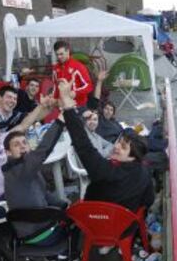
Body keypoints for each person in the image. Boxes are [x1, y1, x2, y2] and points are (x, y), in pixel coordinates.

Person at [57, 78, 155, 212]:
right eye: (119, 143)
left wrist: (68, 106)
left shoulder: (106, 171)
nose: (116, 146)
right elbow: (148, 201)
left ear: (133, 157)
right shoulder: (145, 173)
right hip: (126, 227)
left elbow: (83, 146)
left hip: (95, 223)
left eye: (123, 147)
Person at [2, 117, 78, 261]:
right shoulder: (20, 170)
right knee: (78, 223)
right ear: (8, 152)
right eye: (16, 145)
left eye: (25, 143)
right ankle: (65, 254)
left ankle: (51, 254)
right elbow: (43, 149)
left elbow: (44, 193)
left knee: (70, 210)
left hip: (28, 233)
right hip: (39, 235)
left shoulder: (21, 170)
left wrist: (64, 205)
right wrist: (60, 121)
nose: (23, 147)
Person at [52, 40, 93, 109]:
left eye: (61, 54)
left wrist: (75, 93)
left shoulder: (78, 66)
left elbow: (89, 86)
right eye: (57, 54)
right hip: (62, 106)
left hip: (78, 106)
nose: (59, 57)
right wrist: (53, 99)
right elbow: (55, 87)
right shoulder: (55, 68)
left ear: (68, 51)